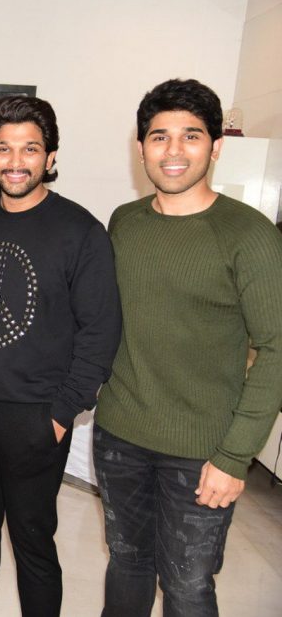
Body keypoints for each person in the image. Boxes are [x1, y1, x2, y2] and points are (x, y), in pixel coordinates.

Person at [95, 78, 282, 617]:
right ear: (141, 148)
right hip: (120, 436)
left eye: (191, 136)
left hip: (202, 452)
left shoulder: (249, 235)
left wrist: (234, 456)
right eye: (159, 137)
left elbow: (276, 350)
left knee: (187, 586)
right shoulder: (124, 222)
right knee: (126, 564)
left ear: (216, 146)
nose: (173, 150)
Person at [0, 96, 121, 616]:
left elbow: (101, 332)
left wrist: (61, 413)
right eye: (4, 148)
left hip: (35, 417)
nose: (16, 161)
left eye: (30, 148)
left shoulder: (80, 231)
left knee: (33, 541)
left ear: (50, 157)